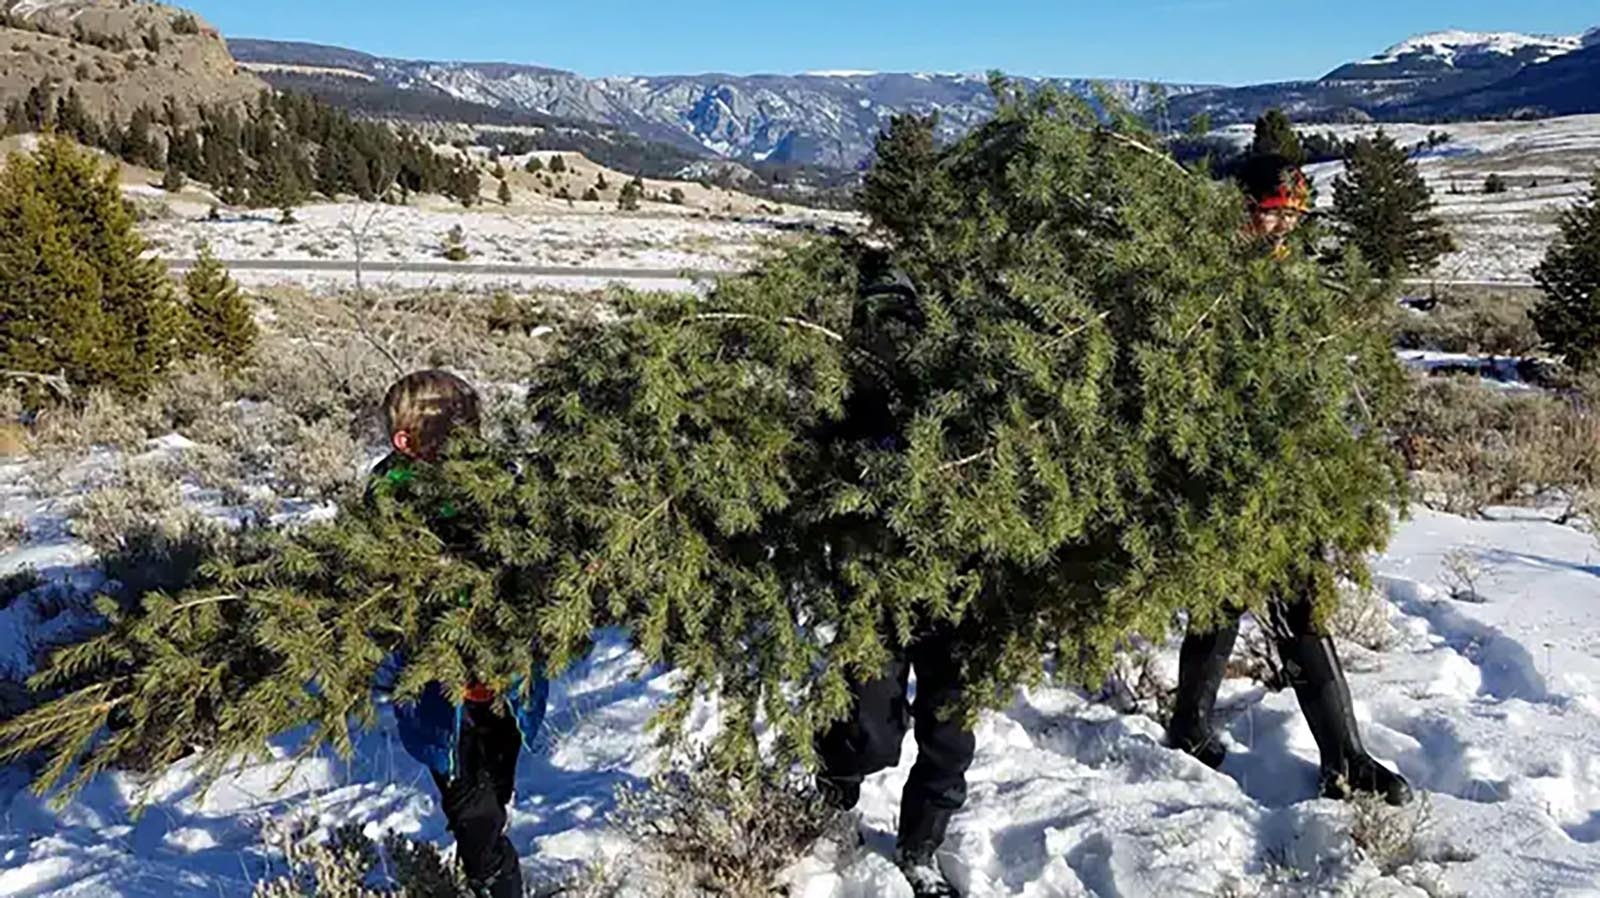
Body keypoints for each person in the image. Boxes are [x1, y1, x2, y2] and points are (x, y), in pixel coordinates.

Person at [1164, 155, 1412, 807]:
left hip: (1283, 471)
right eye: (1271, 215)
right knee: (1244, 600)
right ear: (1241, 212)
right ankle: (1213, 731)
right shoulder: (1208, 282)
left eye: (1289, 215)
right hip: (1227, 471)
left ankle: (1327, 751)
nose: (1282, 229)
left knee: (1271, 599)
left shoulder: (1280, 274)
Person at [814, 257, 976, 898]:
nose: (892, 337)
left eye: (903, 321)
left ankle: (921, 847)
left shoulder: (956, 387)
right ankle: (834, 795)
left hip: (954, 579)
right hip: (875, 581)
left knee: (952, 726)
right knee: (869, 726)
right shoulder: (844, 397)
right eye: (877, 321)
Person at [371, 370, 551, 898]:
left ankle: (489, 857)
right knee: (470, 804)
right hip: (437, 681)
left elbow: (524, 551)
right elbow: (379, 565)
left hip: (501, 671)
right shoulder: (390, 486)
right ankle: (493, 880)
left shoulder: (494, 477)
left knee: (496, 788)